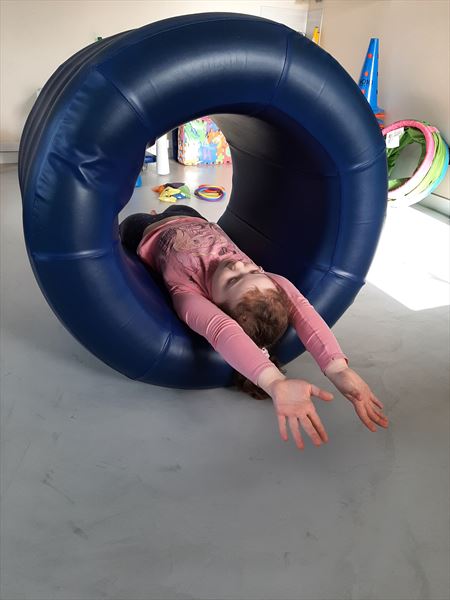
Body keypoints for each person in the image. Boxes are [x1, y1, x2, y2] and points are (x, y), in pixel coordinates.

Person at [120, 204, 389, 450]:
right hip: (194, 217)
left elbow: (223, 331)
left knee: (128, 223)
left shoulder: (188, 293)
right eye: (253, 270)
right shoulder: (264, 284)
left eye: (232, 280)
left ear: (215, 305)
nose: (239, 264)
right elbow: (302, 310)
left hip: (146, 231)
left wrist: (274, 382)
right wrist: (337, 367)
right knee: (180, 205)